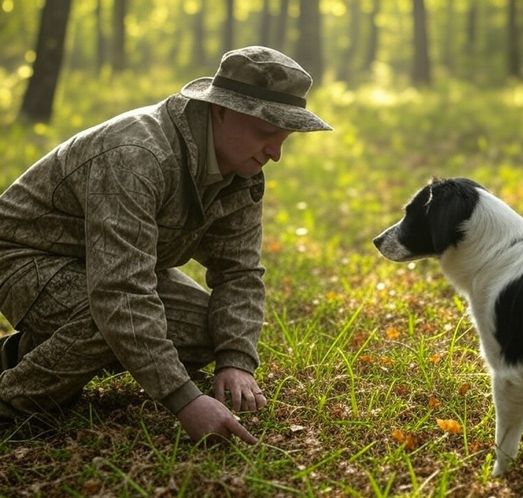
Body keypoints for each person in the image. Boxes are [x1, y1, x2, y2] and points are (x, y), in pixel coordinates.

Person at [0, 46, 331, 443]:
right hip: (22, 256)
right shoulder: (136, 155)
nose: (275, 154)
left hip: (107, 267)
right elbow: (119, 292)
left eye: (285, 138)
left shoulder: (241, 171)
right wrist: (185, 400)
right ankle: (14, 404)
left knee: (207, 332)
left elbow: (239, 271)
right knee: (110, 318)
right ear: (220, 110)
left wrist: (236, 361)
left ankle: (21, 354)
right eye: (266, 133)